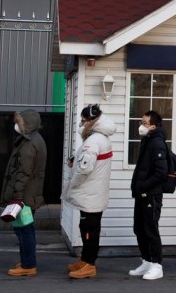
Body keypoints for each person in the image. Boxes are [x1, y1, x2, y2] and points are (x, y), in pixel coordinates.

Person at [63, 104, 116, 279]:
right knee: (87, 227)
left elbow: (84, 169)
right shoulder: (100, 137)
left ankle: (89, 264)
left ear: (91, 121)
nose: (81, 124)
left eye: (83, 120)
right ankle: (85, 259)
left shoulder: (93, 140)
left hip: (90, 192)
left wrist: (73, 185)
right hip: (94, 192)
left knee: (89, 230)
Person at [1, 109, 47, 277]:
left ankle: (28, 265)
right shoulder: (35, 139)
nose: (16, 125)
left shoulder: (29, 143)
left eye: (19, 122)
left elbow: (23, 172)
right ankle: (28, 261)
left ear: (26, 124)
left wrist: (17, 197)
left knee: (24, 230)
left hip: (25, 196)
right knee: (25, 228)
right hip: (29, 193)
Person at [128, 110, 169, 280]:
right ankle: (146, 260)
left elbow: (161, 172)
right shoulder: (147, 140)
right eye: (141, 122)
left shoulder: (157, 143)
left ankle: (156, 265)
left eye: (144, 123)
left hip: (151, 194)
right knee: (139, 228)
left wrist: (144, 186)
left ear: (153, 126)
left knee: (150, 229)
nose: (141, 126)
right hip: (141, 194)